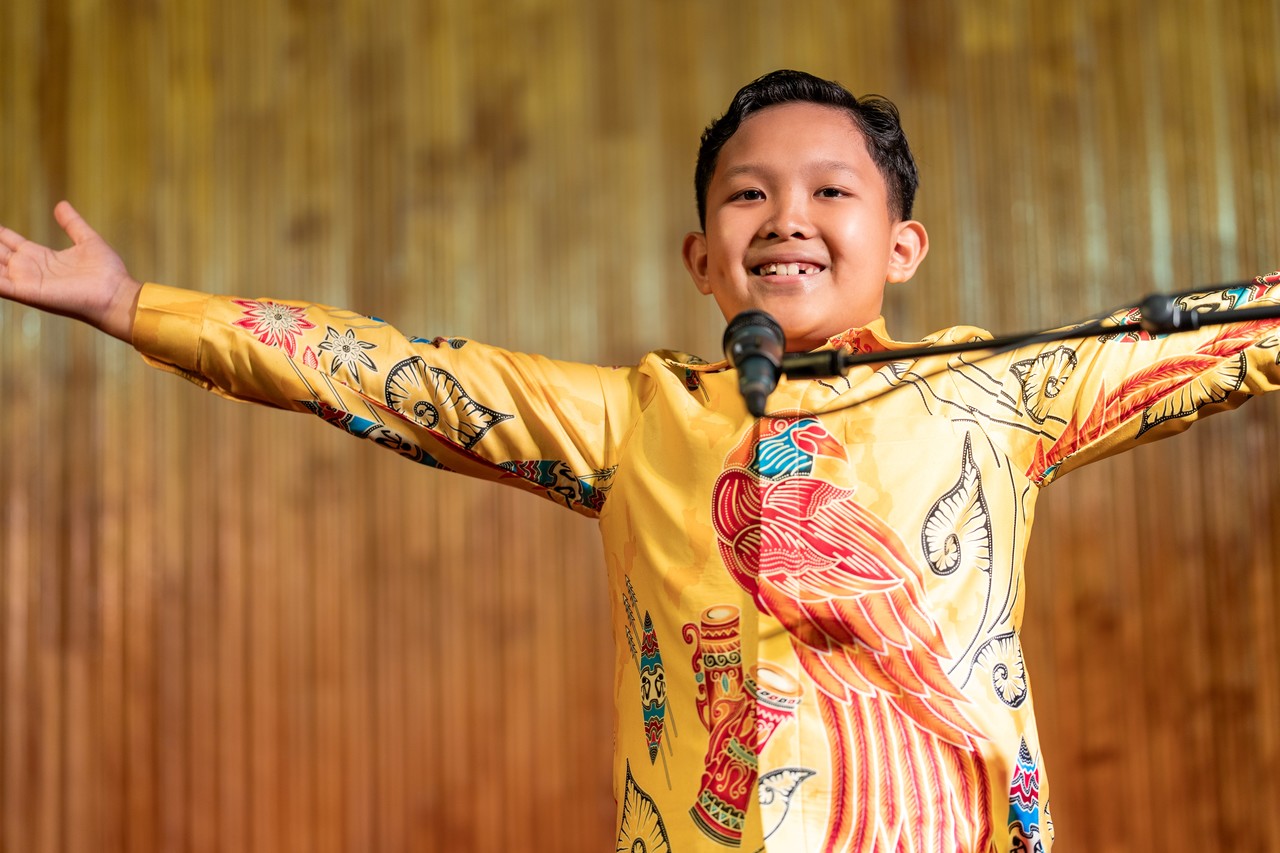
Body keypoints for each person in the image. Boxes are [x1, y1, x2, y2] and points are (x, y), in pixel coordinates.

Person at [2, 69, 1277, 853]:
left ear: (902, 245)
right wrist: (134, 306)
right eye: (746, 195)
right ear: (699, 256)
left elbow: (1236, 343)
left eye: (832, 193)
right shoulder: (630, 421)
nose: (786, 218)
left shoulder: (993, 390)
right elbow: (387, 373)